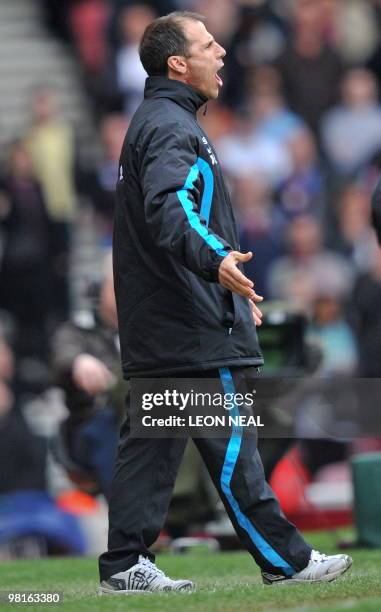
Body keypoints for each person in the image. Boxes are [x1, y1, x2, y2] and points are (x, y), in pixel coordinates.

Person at [98, 11, 352, 595]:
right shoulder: (170, 128)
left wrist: (226, 288)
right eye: (208, 45)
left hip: (162, 322)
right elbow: (172, 209)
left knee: (150, 449)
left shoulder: (155, 120)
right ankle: (285, 561)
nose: (222, 53)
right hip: (189, 326)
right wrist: (217, 264)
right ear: (177, 64)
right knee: (235, 444)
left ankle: (122, 565)